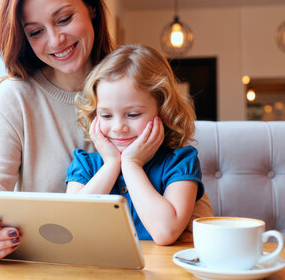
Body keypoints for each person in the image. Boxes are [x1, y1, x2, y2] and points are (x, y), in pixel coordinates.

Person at [0, 0, 211, 262]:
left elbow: (191, 205)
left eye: (64, 19)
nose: (56, 40)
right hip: (49, 268)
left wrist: (186, 227)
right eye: (36, 31)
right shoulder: (14, 97)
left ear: (91, 7)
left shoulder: (132, 79)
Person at [66, 44, 206, 245]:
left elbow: (165, 232)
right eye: (106, 115)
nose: (118, 127)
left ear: (163, 111)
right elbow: (70, 224)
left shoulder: (181, 162)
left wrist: (131, 165)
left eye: (132, 115)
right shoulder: (85, 164)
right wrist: (111, 165)